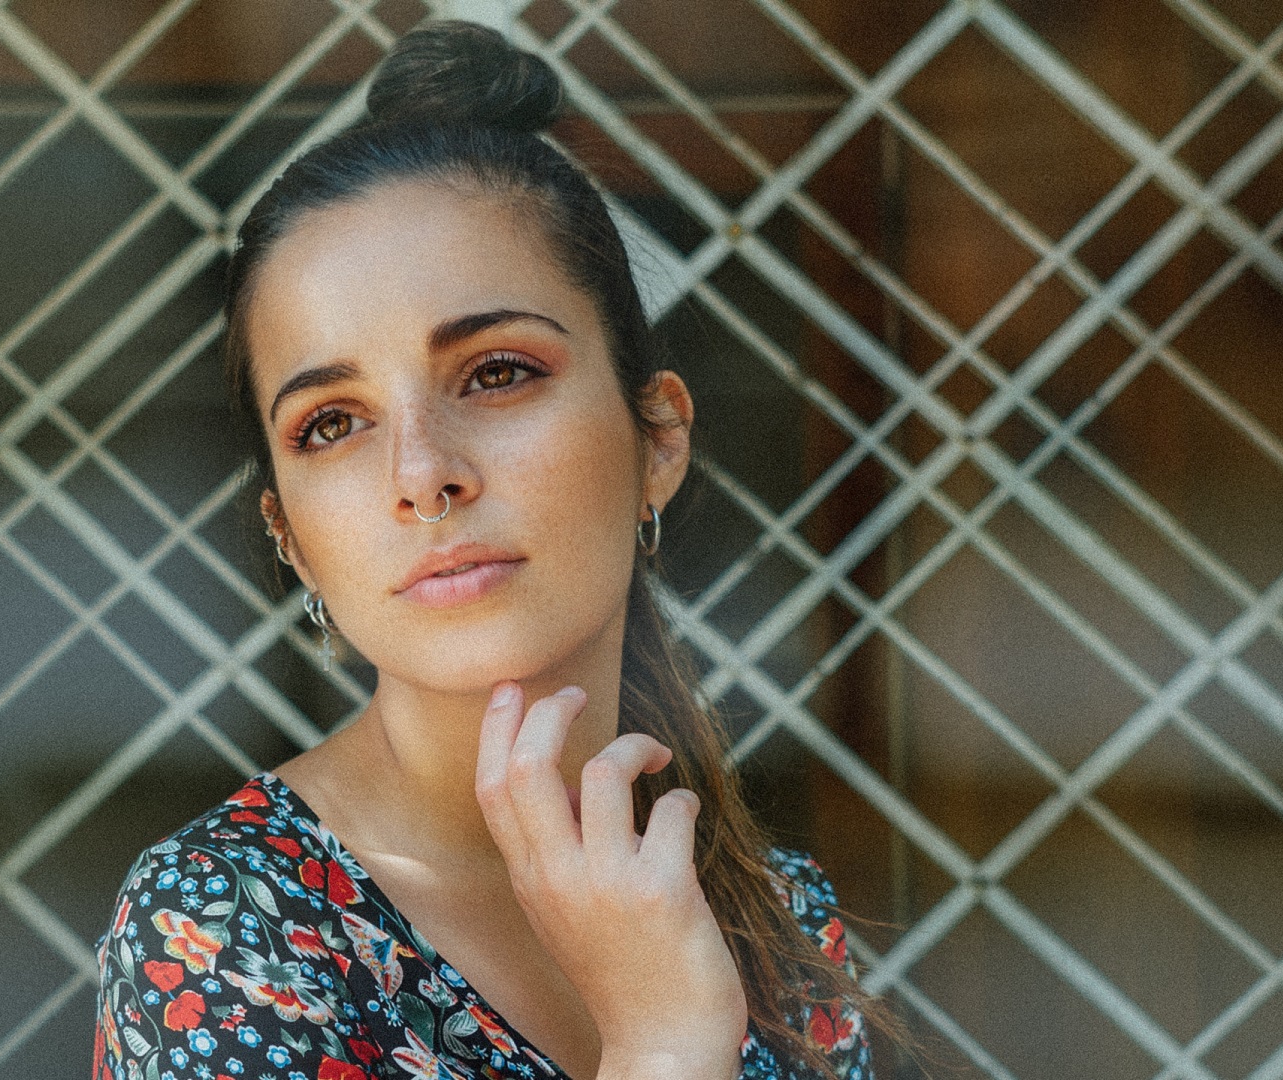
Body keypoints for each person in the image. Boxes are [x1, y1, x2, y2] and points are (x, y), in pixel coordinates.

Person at [94, 20, 881, 1080]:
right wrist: (661, 1042)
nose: (424, 473)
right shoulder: (224, 933)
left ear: (657, 438)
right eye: (333, 423)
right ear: (293, 542)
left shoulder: (779, 927)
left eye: (498, 372)